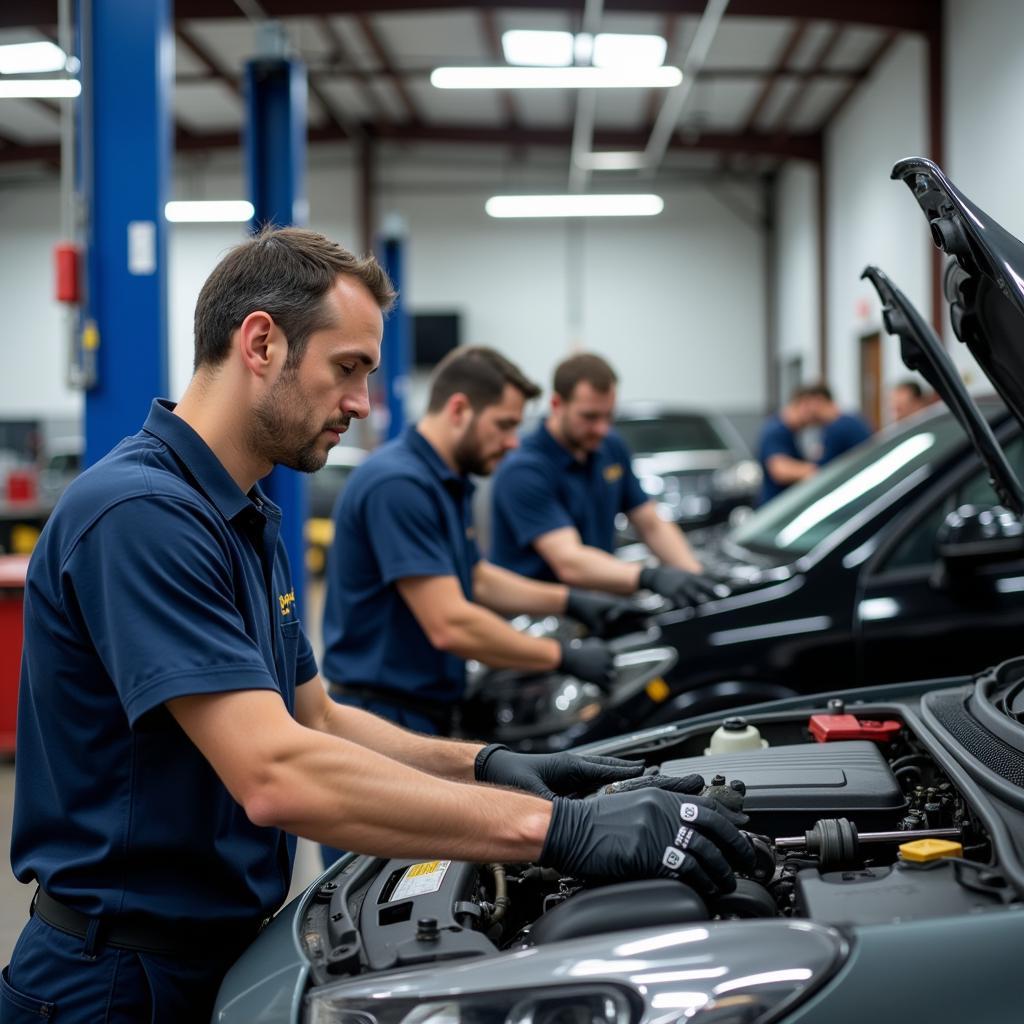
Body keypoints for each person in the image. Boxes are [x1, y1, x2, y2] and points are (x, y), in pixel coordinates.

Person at [4, 228, 753, 1023]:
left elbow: (316, 716)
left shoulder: (243, 513)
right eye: (348, 369)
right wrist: (556, 829)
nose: (362, 404)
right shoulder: (141, 516)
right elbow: (275, 772)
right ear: (261, 342)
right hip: (117, 982)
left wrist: (492, 766)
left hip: (210, 953)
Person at [488, 353, 719, 609]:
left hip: (595, 605)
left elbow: (650, 523)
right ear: (556, 404)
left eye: (608, 416)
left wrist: (693, 577)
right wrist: (649, 577)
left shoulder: (610, 447)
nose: (601, 428)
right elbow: (569, 562)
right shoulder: (524, 469)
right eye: (589, 417)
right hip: (536, 615)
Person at [756, 386, 823, 504]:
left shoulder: (790, 431)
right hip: (775, 508)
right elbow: (780, 470)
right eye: (812, 413)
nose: (814, 419)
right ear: (803, 404)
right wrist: (817, 470)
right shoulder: (777, 430)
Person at [810, 384, 872, 465]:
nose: (810, 414)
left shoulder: (836, 428)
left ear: (819, 401)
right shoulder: (851, 418)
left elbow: (823, 468)